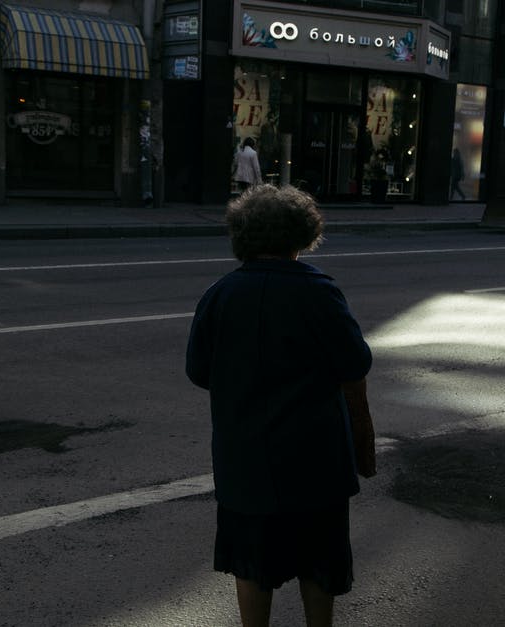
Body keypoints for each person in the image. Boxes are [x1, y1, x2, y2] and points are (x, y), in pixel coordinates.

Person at [186, 185, 376, 627]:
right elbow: (355, 363)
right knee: (319, 560)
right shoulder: (320, 292)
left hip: (245, 461)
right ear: (303, 235)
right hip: (316, 460)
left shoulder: (220, 294)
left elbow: (198, 372)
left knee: (252, 561)